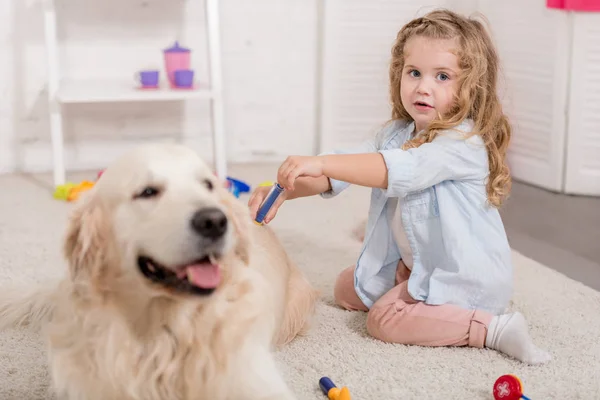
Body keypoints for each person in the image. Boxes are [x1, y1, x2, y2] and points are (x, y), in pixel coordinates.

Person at [248, 9, 550, 365]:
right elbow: (342, 169)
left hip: (463, 276)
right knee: (349, 286)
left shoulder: (463, 142)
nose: (423, 86)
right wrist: (285, 189)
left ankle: (492, 328)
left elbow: (396, 169)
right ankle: (412, 288)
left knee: (384, 321)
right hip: (420, 262)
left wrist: (321, 162)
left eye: (442, 76)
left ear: (471, 87)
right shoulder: (396, 133)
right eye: (414, 73)